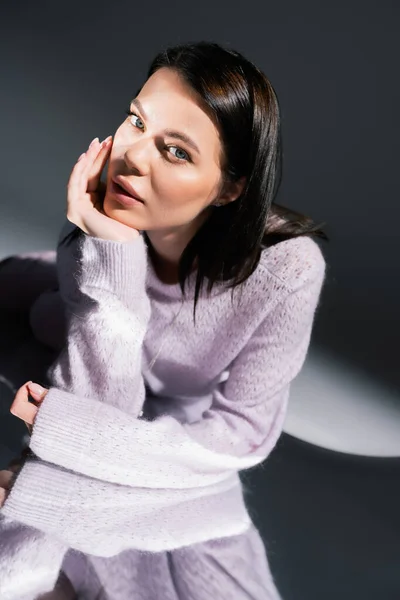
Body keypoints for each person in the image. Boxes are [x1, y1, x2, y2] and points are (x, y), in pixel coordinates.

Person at [0, 41, 328, 599]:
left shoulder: (286, 269)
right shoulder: (93, 223)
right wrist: (114, 253)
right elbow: (105, 400)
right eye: (136, 121)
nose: (133, 157)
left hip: (165, 406)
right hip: (43, 313)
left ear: (230, 188)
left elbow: (242, 438)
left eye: (176, 152)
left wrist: (65, 433)